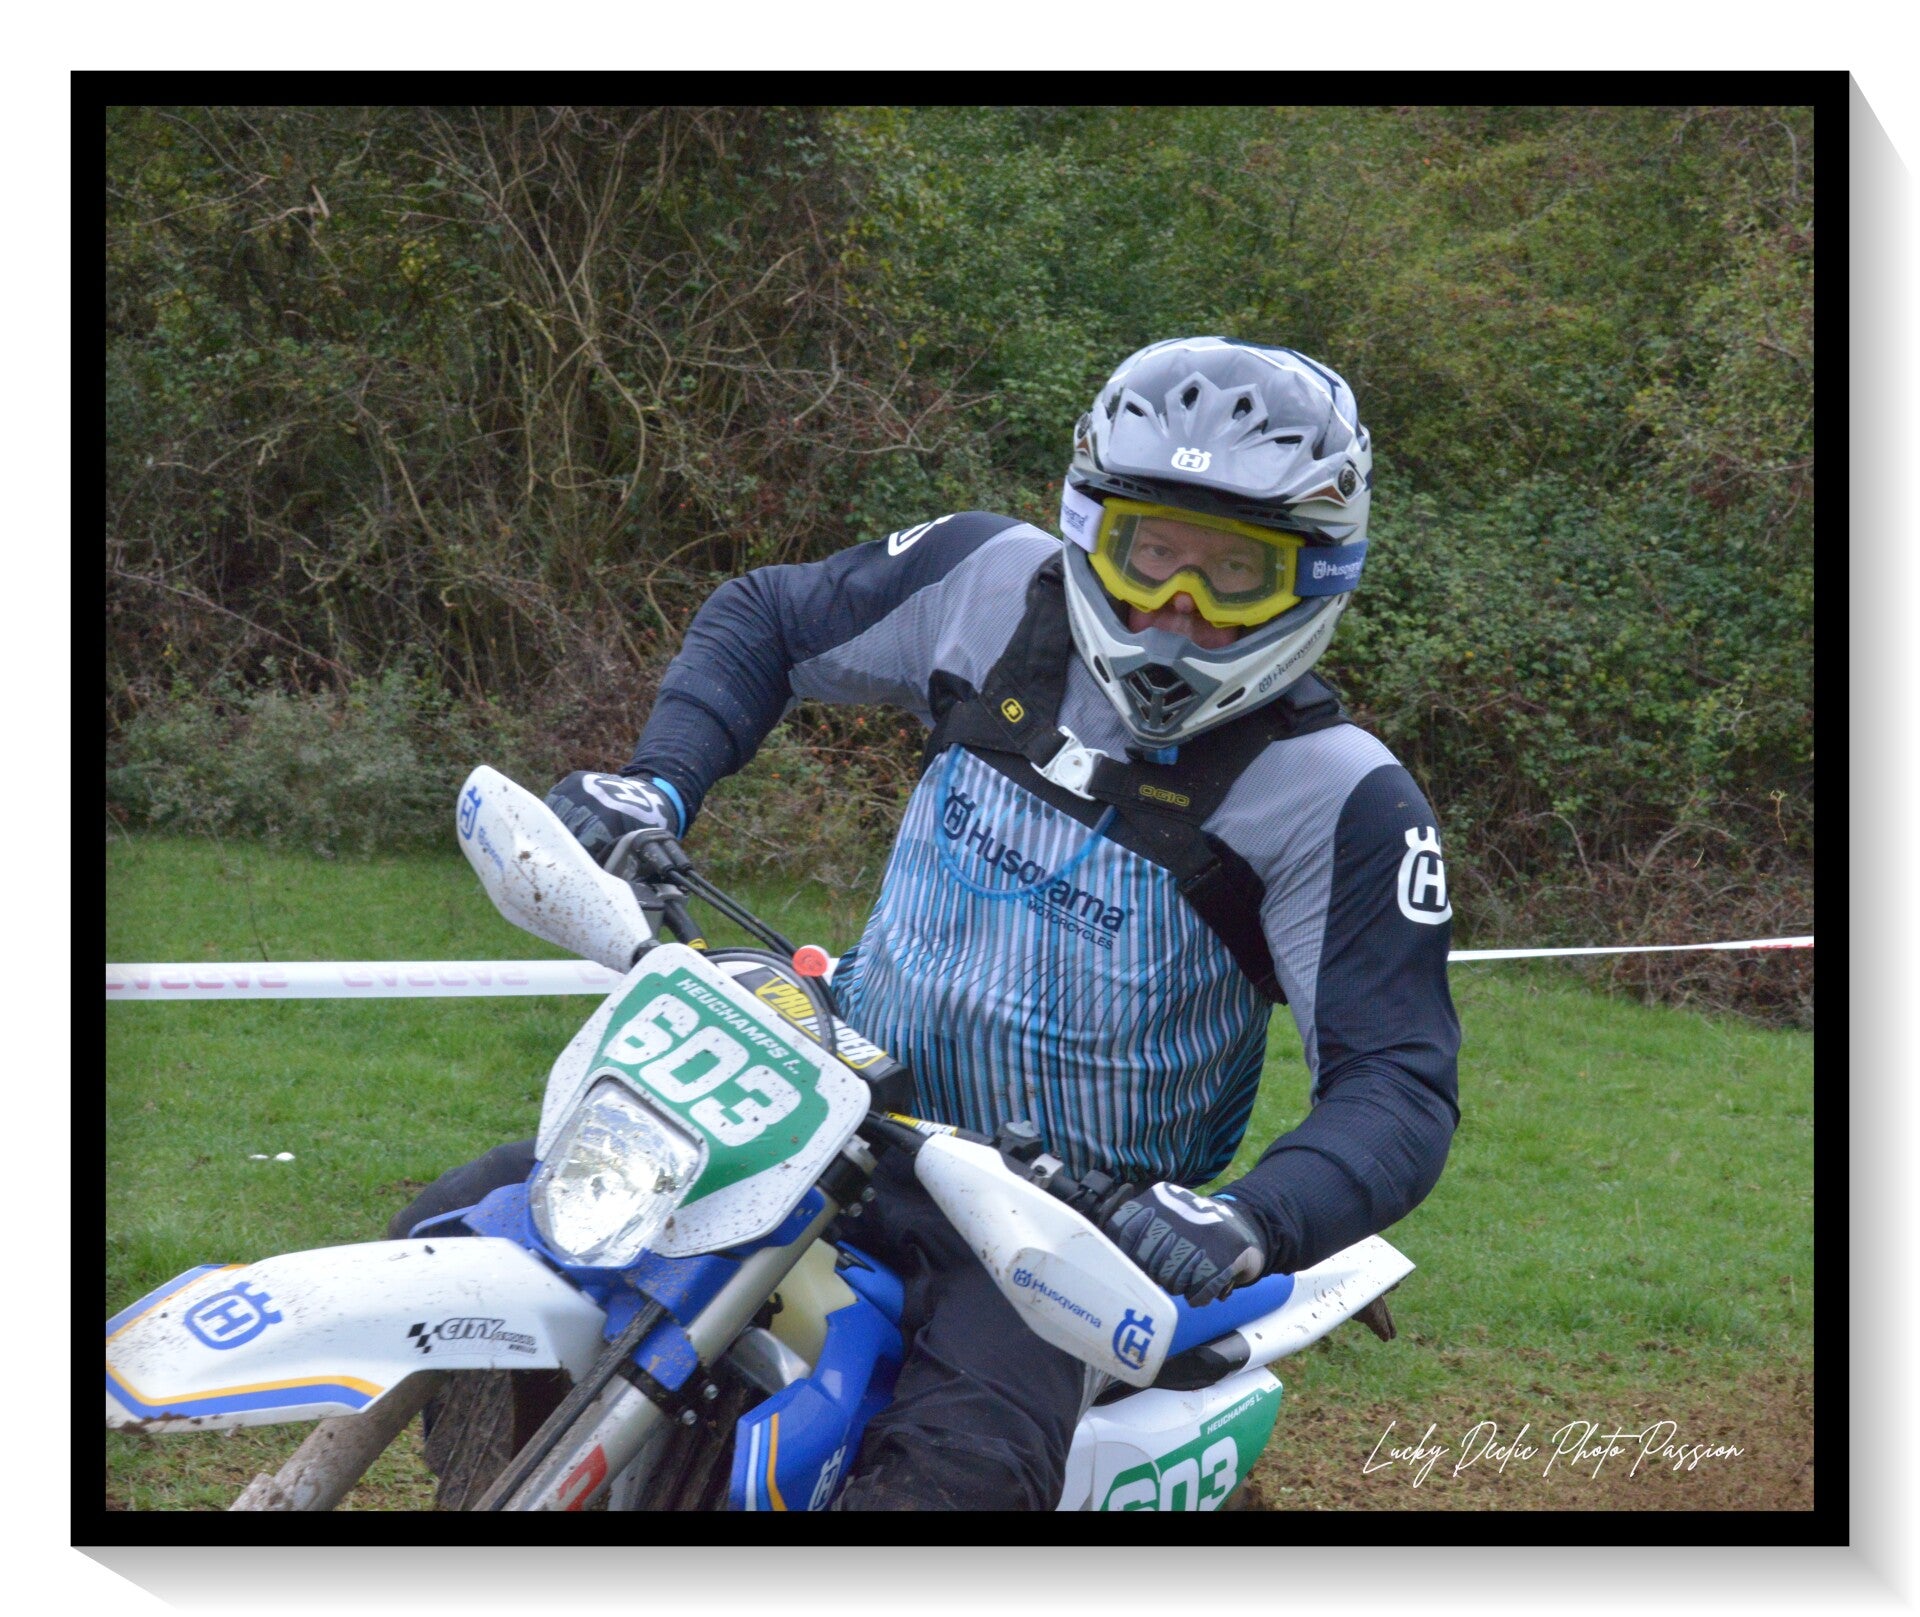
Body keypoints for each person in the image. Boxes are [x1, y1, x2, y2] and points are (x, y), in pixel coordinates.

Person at [400, 336, 1460, 1511]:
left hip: (1057, 1230)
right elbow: (767, 617)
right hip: (828, 1104)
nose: (1177, 608)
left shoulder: (1345, 800)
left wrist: (1248, 1219)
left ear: (1315, 577)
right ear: (1088, 529)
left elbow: (1399, 1082)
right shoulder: (985, 583)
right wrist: (656, 785)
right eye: (1151, 552)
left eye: (1234, 576)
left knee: (959, 1480)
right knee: (461, 1235)